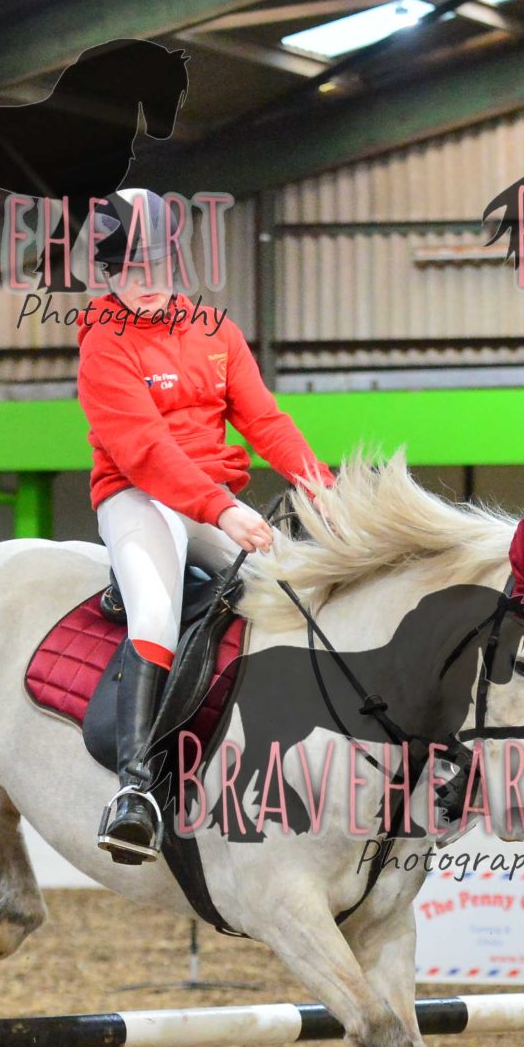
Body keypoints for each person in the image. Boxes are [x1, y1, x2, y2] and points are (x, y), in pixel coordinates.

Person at [78, 189, 332, 862]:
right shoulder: (103, 345)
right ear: (107, 271)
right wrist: (223, 510)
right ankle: (135, 790)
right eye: (130, 269)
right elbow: (145, 451)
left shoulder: (216, 331)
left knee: (294, 595)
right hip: (138, 497)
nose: (147, 280)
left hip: (211, 499)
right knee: (157, 614)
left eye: (158, 264)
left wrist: (321, 487)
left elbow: (265, 421)